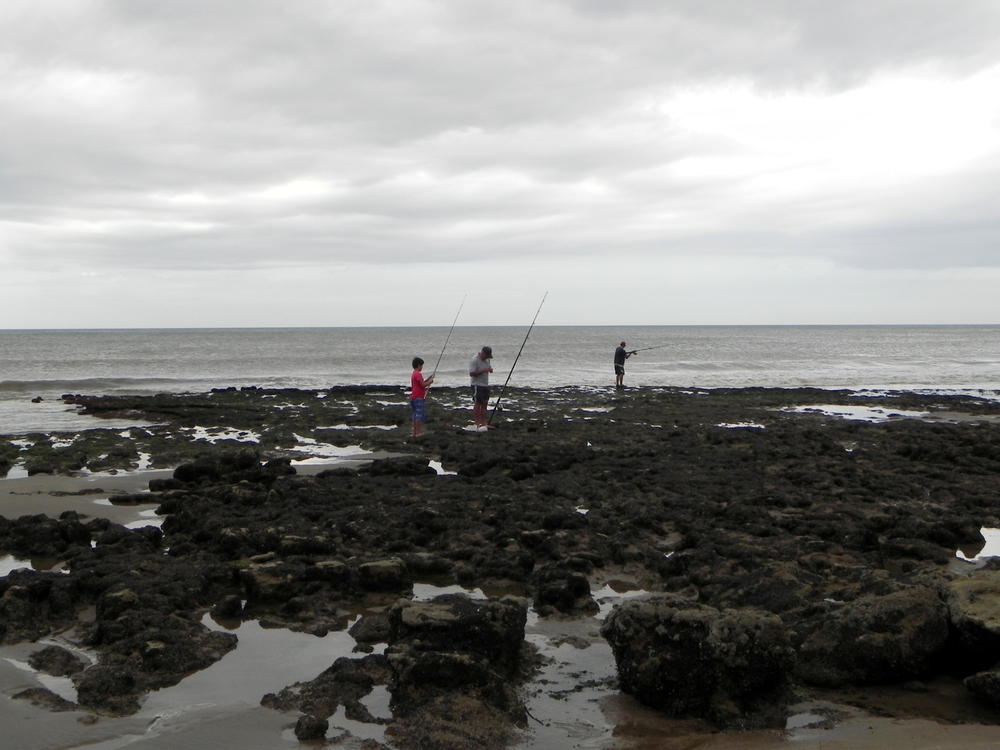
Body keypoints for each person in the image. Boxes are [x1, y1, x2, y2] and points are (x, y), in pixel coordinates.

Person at [468, 346, 494, 428]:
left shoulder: (487, 360)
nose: (487, 358)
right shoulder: (474, 360)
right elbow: (471, 373)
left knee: (485, 403)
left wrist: (489, 369)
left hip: (485, 384)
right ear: (482, 353)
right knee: (478, 404)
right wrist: (484, 370)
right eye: (486, 356)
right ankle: (477, 423)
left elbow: (487, 368)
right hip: (477, 384)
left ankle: (484, 423)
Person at [409, 357, 434, 437]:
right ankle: (418, 432)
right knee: (419, 415)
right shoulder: (418, 374)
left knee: (415, 415)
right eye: (421, 366)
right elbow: (423, 385)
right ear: (418, 365)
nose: (422, 367)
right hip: (418, 397)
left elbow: (421, 383)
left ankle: (415, 432)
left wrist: (428, 380)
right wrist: (430, 382)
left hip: (414, 397)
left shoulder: (414, 373)